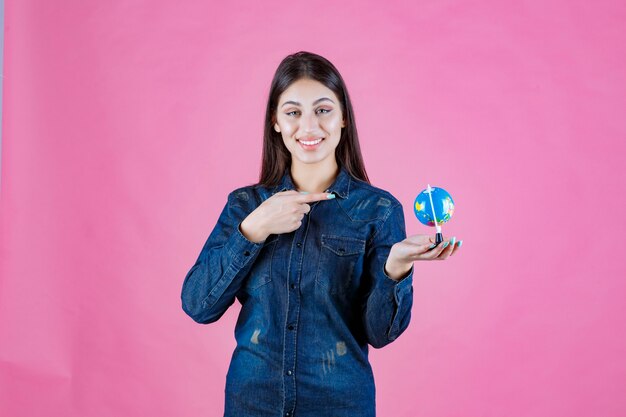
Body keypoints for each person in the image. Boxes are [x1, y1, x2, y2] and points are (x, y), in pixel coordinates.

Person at [181, 51, 462, 417]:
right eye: (293, 112)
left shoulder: (378, 210)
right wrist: (254, 229)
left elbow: (380, 334)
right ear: (276, 122)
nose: (309, 127)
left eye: (323, 110)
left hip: (340, 403)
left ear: (344, 117)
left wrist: (396, 269)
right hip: (251, 403)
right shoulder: (245, 205)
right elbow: (198, 306)